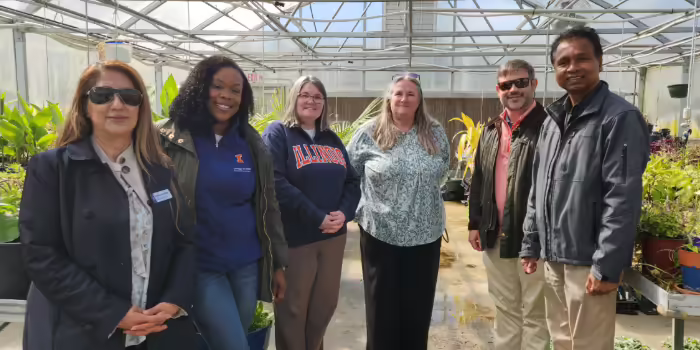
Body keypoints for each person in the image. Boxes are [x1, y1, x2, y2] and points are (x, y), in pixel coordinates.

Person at [20, 61, 196, 350]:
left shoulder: (160, 170)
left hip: (157, 331)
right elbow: (41, 255)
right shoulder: (53, 170)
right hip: (85, 333)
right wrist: (113, 314)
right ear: (85, 105)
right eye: (103, 95)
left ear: (141, 108)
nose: (118, 104)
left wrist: (174, 299)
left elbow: (184, 241)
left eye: (130, 97)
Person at [520, 26, 650, 350]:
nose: (572, 68)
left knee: (589, 344)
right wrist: (531, 241)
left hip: (588, 260)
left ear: (600, 62)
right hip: (554, 258)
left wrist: (607, 263)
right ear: (555, 70)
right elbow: (539, 186)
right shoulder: (552, 120)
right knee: (563, 341)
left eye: (582, 59)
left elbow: (622, 196)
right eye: (563, 62)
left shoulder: (619, 117)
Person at [156, 55, 288, 350]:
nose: (226, 96)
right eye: (218, 87)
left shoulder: (251, 143)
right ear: (200, 89)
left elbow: (269, 206)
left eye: (236, 90)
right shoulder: (167, 137)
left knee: (228, 341)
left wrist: (278, 264)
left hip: (245, 265)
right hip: (201, 265)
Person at [347, 74, 450, 350]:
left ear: (419, 101)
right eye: (398, 93)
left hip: (425, 234)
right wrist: (358, 210)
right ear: (389, 99)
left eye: (410, 94)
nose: (404, 98)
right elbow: (348, 174)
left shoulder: (435, 132)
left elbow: (443, 169)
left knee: (418, 309)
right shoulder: (370, 132)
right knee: (382, 310)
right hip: (381, 235)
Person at [262, 76, 361, 350]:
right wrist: (316, 215)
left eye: (318, 97)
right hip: (297, 239)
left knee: (323, 309)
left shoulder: (331, 139)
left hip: (333, 239)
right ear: (294, 97)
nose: (311, 101)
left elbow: (352, 181)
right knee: (293, 311)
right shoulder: (279, 133)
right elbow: (274, 181)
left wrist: (344, 213)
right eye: (305, 94)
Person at [468, 59, 549, 350]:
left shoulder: (548, 127)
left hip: (534, 240)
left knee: (536, 313)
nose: (513, 89)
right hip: (494, 234)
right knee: (505, 308)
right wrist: (475, 223)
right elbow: (479, 179)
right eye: (506, 85)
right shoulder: (491, 130)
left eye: (520, 82)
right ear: (498, 90)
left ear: (534, 84)